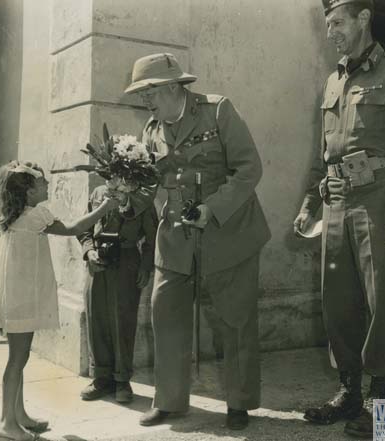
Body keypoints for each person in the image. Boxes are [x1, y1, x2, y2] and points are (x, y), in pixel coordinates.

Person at [293, 1, 385, 438]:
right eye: (326, 24)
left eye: (337, 23)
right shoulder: (332, 81)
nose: (330, 32)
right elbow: (324, 154)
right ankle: (349, 392)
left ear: (363, 18)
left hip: (381, 201)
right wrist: (309, 204)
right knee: (338, 300)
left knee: (383, 303)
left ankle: (382, 406)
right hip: (335, 203)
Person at [124, 53, 271, 430]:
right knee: (165, 313)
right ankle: (170, 401)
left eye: (150, 92)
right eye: (142, 94)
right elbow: (151, 186)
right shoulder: (152, 130)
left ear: (173, 87)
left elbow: (249, 168)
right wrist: (126, 194)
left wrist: (212, 208)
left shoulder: (218, 111)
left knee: (234, 321)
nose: (146, 101)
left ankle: (238, 403)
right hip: (176, 239)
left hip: (229, 233)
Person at [0, 161, 120, 441]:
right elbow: (72, 227)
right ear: (30, 191)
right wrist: (105, 207)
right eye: (42, 181)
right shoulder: (35, 215)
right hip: (22, 295)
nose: (47, 184)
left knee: (18, 358)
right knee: (17, 360)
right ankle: (7, 424)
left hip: (16, 292)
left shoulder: (16, 214)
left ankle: (17, 414)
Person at [77, 184, 158, 403]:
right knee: (97, 318)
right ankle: (102, 378)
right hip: (98, 263)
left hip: (126, 261)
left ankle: (122, 379)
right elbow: (84, 228)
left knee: (123, 319)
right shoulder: (97, 192)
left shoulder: (142, 198)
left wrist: (145, 266)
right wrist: (89, 251)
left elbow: (152, 237)